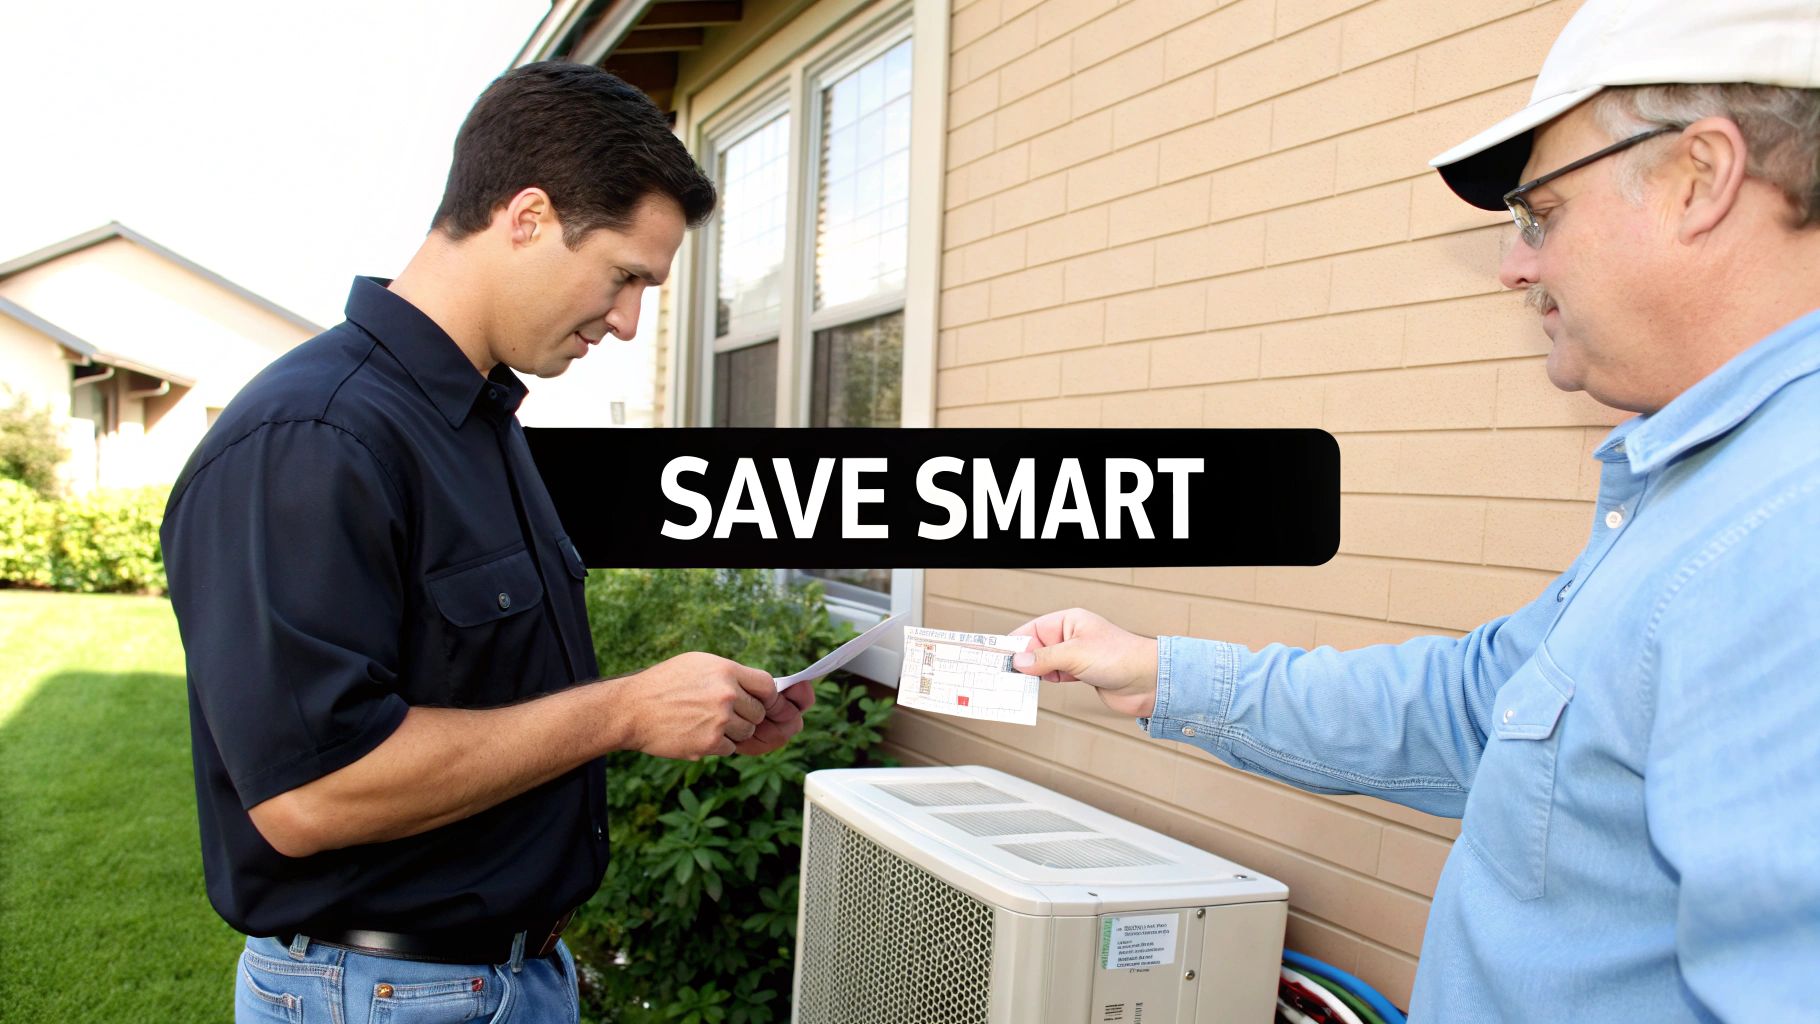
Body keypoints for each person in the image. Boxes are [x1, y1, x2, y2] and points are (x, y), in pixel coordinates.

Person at [1011, 1, 1820, 1020]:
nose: (1514, 265)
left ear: (1697, 178)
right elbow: (1477, 707)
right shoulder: (1699, 491)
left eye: (1542, 213)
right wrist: (1155, 672)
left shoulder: (1785, 529)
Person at [161, 63, 811, 1023]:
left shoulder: (477, 422)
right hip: (381, 994)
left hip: (498, 980)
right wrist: (622, 713)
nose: (630, 322)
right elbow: (310, 794)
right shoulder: (314, 437)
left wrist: (684, 709)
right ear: (529, 216)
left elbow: (479, 695)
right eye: (626, 276)